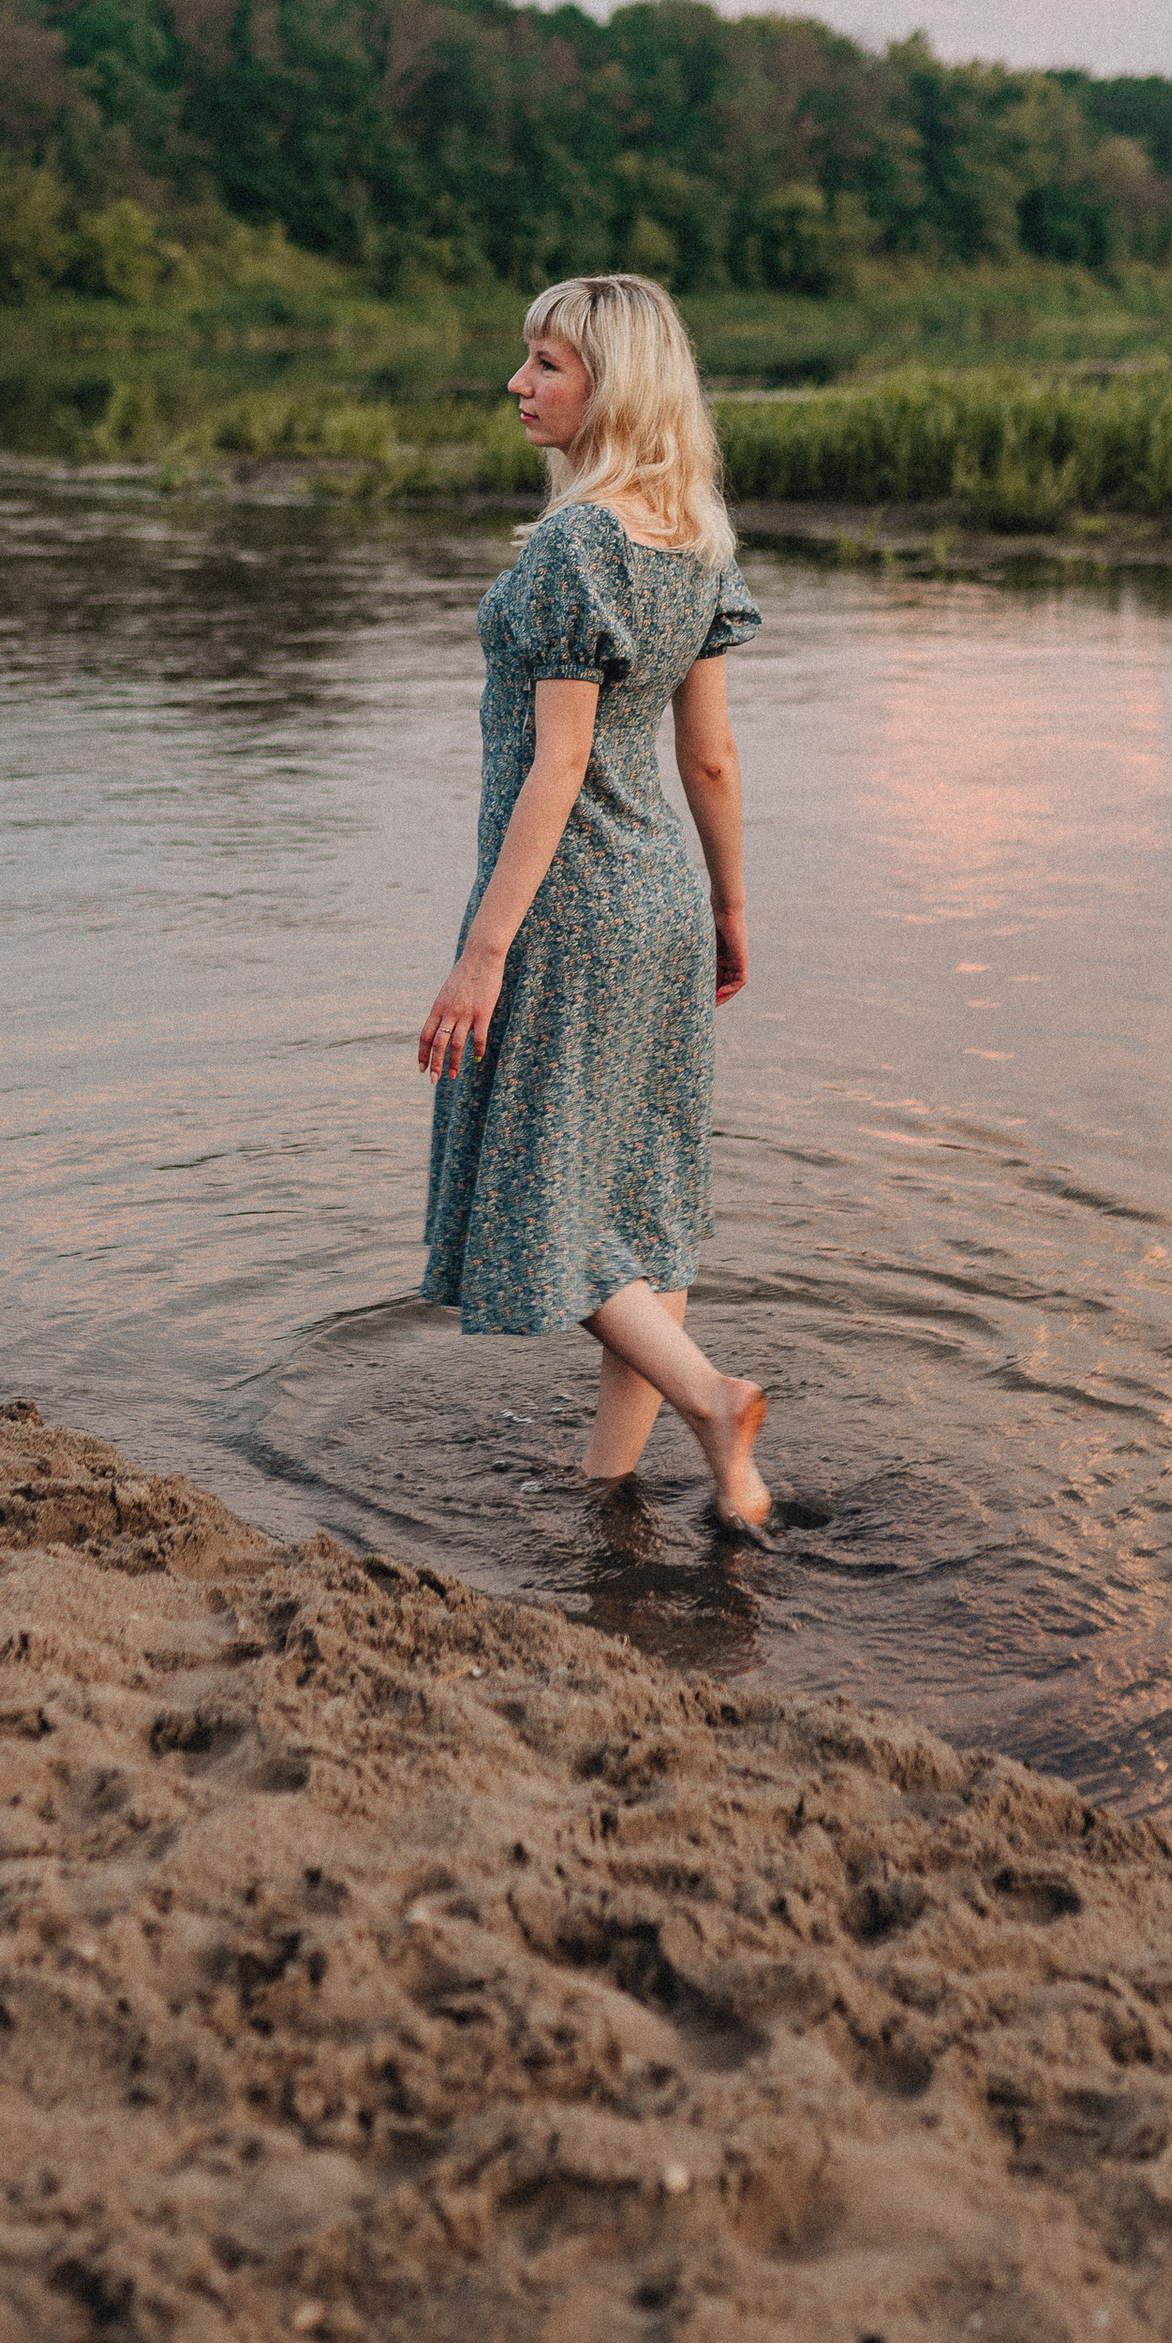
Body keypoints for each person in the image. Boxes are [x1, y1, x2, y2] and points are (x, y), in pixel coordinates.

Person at [417, 272, 772, 1532]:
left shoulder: (577, 546)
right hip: (665, 900)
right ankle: (609, 1494)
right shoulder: (697, 537)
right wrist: (728, 909)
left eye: (548, 364)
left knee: (540, 1194)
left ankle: (708, 1401)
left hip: (569, 913)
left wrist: (481, 950)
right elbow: (711, 759)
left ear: (610, 385)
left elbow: (560, 766)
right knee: (642, 1205)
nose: (518, 383)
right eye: (525, 359)